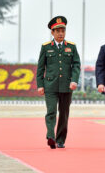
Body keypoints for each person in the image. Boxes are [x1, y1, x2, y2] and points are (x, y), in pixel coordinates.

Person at [36, 16, 81, 149]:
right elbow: (40, 67)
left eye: (63, 30)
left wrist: (74, 80)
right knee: (51, 111)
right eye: (58, 31)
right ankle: (51, 136)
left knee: (64, 113)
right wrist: (40, 85)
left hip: (67, 86)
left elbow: (76, 65)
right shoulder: (46, 47)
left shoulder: (71, 47)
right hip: (50, 85)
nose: (61, 33)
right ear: (52, 32)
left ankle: (60, 139)